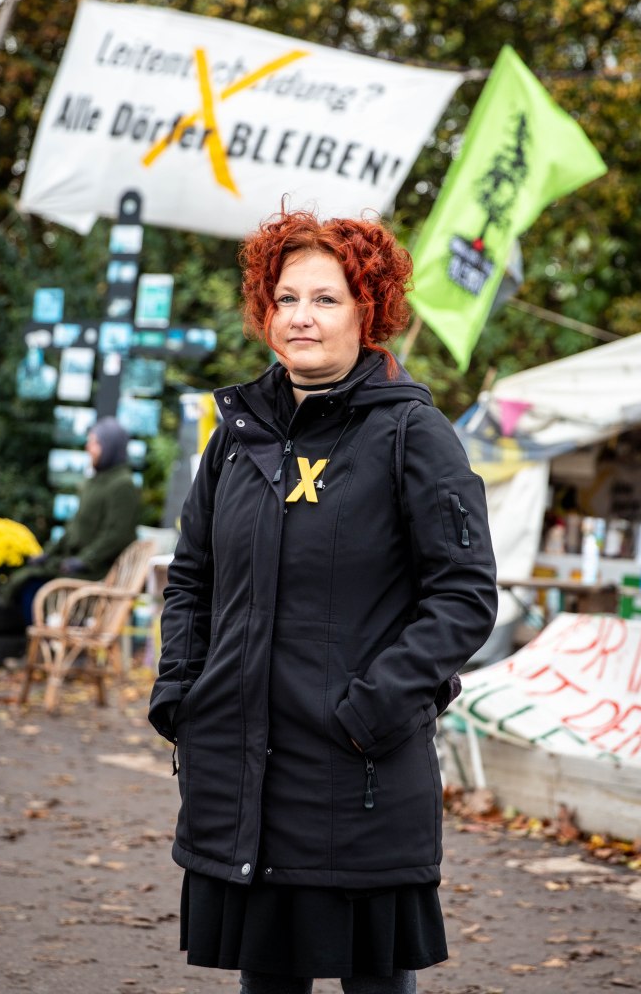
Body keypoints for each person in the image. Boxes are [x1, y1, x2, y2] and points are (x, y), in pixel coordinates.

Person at [148, 209, 498, 994]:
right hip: (242, 771)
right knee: (267, 983)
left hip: (357, 772)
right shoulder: (236, 437)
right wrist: (181, 692)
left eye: (325, 298)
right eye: (285, 298)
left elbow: (464, 596)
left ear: (368, 310)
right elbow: (192, 577)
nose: (299, 317)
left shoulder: (413, 433)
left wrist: (369, 711)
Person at [2, 416, 140, 624]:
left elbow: (117, 535)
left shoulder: (123, 484)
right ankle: (40, 638)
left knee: (33, 586)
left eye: (94, 442)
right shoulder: (95, 481)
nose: (88, 447)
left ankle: (46, 638)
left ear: (109, 446)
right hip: (74, 562)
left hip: (98, 572)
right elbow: (74, 528)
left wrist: (85, 560)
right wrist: (47, 554)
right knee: (25, 578)